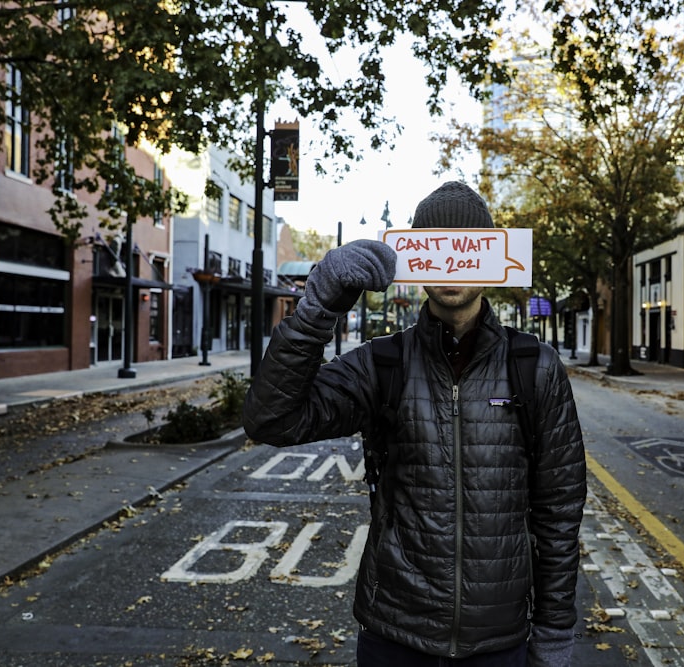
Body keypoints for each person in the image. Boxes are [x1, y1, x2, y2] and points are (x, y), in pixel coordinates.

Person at [243, 181, 587, 666]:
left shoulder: (536, 367)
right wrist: (316, 311)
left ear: (490, 258)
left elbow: (559, 511)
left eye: (465, 244)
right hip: (394, 635)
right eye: (436, 244)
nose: (451, 260)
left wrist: (554, 629)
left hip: (500, 641)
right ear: (417, 256)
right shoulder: (383, 364)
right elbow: (271, 419)